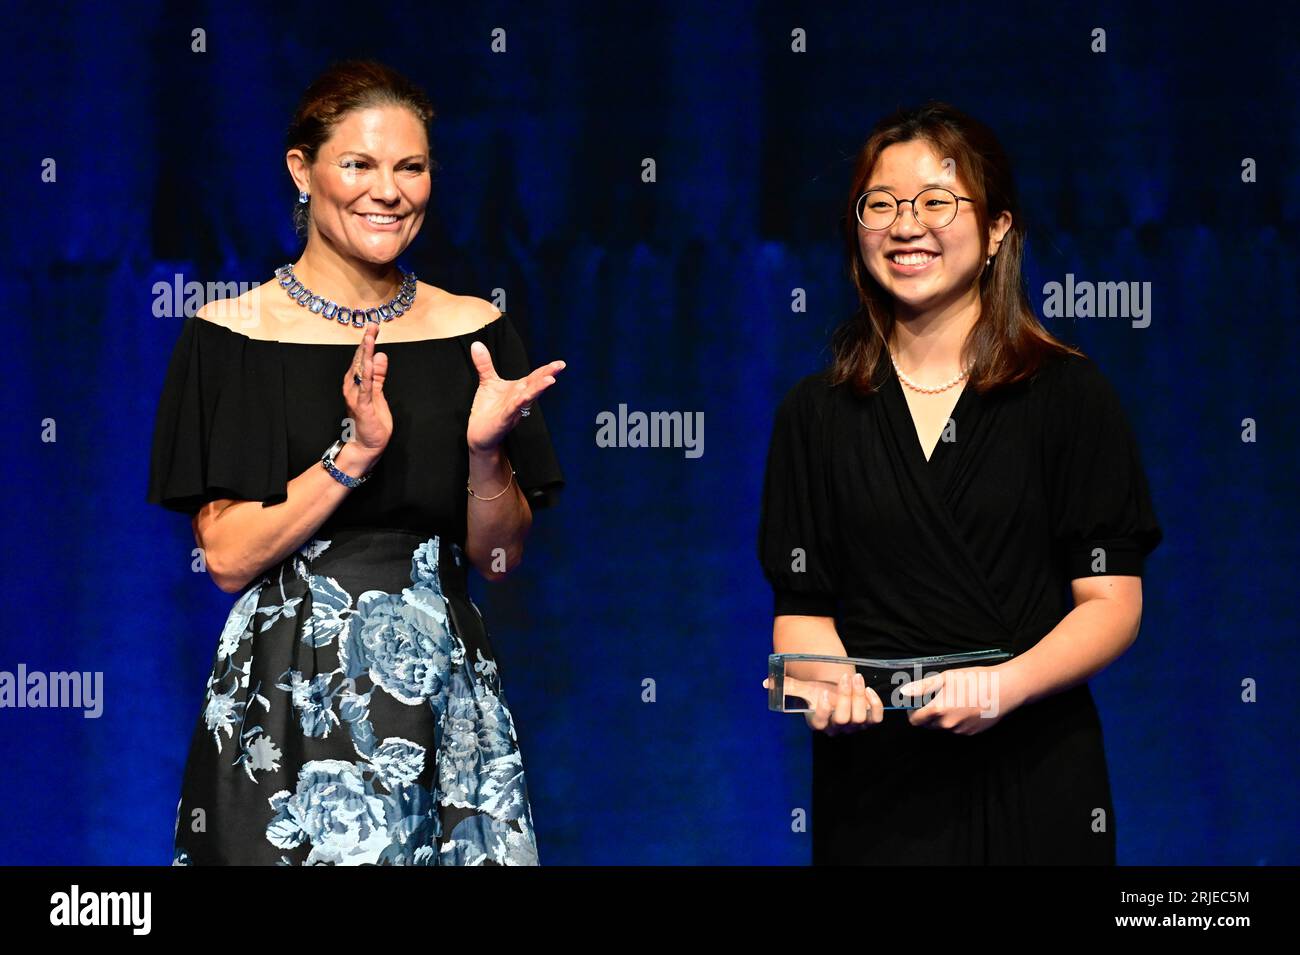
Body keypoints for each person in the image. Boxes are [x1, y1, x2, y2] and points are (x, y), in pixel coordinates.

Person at [147, 59, 565, 865]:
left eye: (411, 167)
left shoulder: (473, 331)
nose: (389, 190)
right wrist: (355, 452)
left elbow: (500, 554)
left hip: (442, 694)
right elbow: (228, 557)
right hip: (288, 696)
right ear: (303, 170)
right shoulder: (232, 337)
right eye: (360, 164)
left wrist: (483, 455)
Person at [758, 101, 1162, 865]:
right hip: (877, 791)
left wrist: (1003, 686)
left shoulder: (1069, 397)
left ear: (998, 227)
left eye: (937, 201)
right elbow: (802, 613)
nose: (906, 225)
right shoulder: (814, 415)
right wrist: (827, 684)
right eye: (881, 204)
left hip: (1034, 771)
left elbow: (1113, 603)